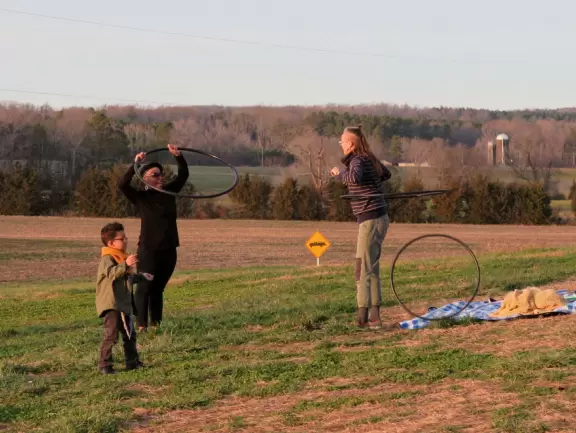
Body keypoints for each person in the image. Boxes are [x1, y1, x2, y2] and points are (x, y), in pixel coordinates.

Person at [330, 124, 396, 330]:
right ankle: (374, 318)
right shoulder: (368, 158)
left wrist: (339, 174)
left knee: (362, 269)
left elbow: (354, 177)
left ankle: (363, 317)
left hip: (370, 220)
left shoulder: (358, 161)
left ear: (350, 144)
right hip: (378, 218)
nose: (340, 144)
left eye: (342, 141)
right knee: (371, 268)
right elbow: (385, 174)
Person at [118, 143, 189, 332]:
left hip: (169, 249)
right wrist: (135, 165)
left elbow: (183, 175)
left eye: (160, 174)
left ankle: (156, 324)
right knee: (144, 288)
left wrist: (178, 157)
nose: (160, 178)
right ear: (145, 179)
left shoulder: (169, 193)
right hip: (149, 250)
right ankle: (141, 325)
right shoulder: (141, 197)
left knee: (158, 290)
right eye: (155, 175)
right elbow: (122, 184)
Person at [96, 221, 154, 374]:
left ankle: (132, 362)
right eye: (122, 239)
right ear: (111, 242)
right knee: (111, 335)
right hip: (112, 304)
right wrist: (125, 264)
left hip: (124, 304)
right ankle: (104, 365)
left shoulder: (121, 258)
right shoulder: (107, 259)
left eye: (126, 237)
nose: (126, 240)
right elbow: (113, 274)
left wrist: (142, 277)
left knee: (130, 335)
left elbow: (127, 278)